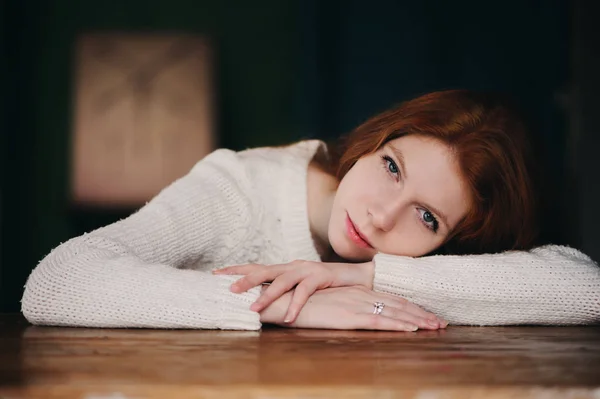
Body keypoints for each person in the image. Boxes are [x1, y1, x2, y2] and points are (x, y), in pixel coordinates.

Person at [21, 90, 600, 331]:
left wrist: (362, 274)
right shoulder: (241, 187)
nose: (380, 216)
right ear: (373, 141)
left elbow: (585, 288)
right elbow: (56, 282)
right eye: (392, 167)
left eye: (427, 218)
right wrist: (289, 306)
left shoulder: (408, 260)